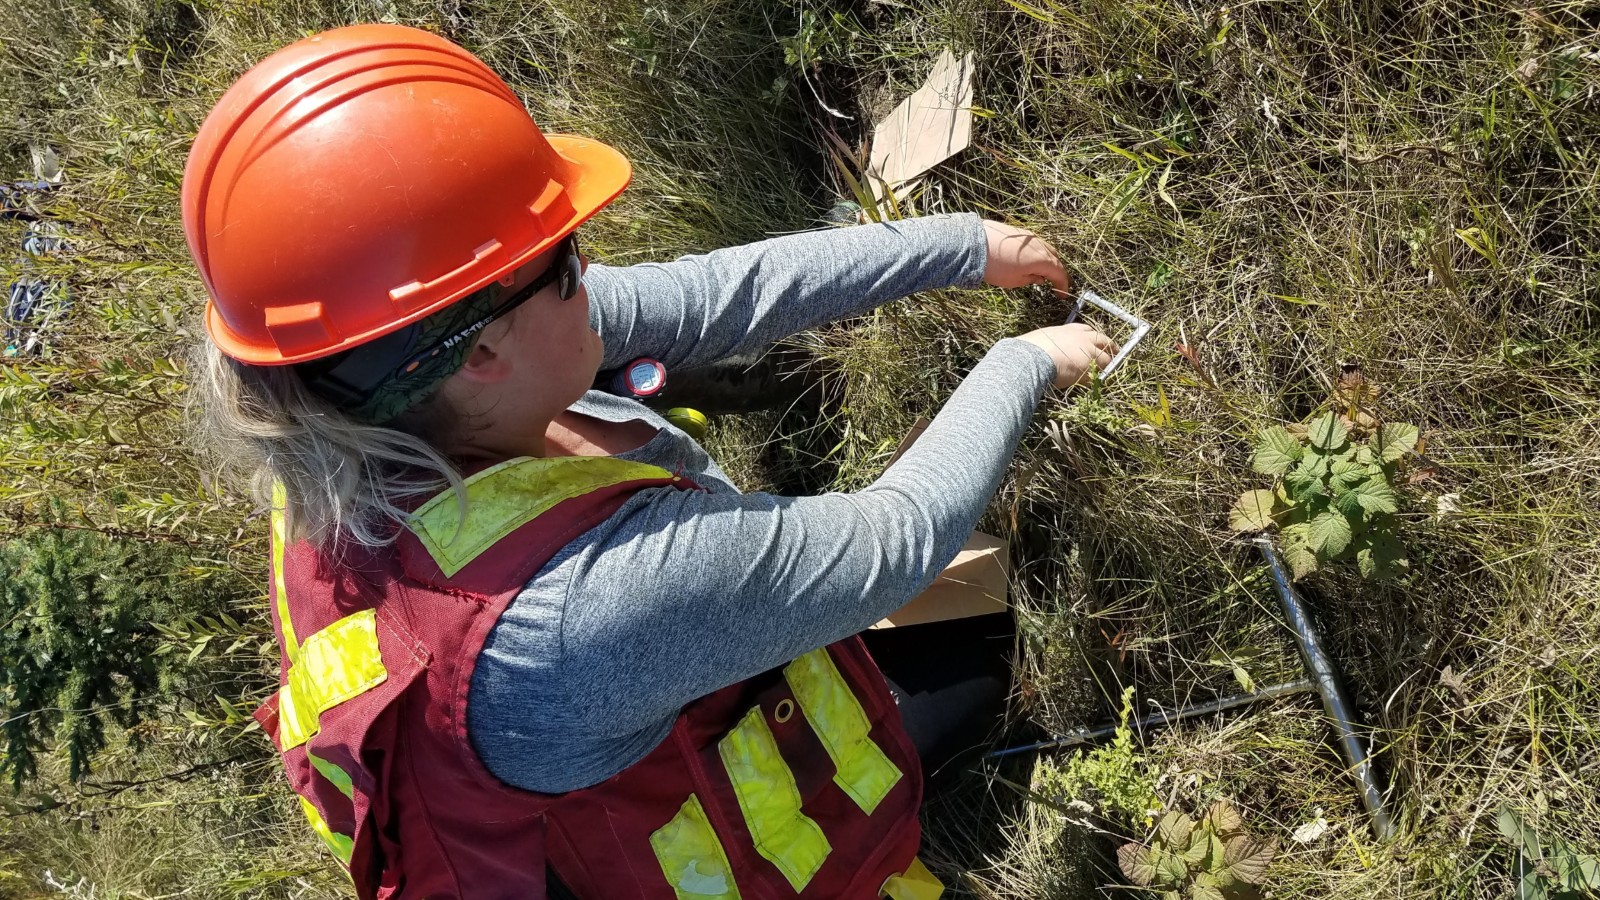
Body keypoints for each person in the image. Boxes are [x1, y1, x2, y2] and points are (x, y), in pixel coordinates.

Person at [183, 23, 1116, 900]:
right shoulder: (574, 614)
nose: (593, 274)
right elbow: (895, 540)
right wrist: (1026, 361)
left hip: (626, 715)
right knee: (977, 660)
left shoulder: (349, 416)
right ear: (479, 353)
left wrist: (959, 247)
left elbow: (715, 298)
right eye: (567, 258)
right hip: (717, 857)